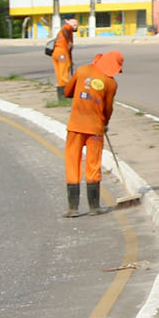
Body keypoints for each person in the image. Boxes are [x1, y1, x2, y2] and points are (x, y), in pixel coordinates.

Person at [62, 50, 123, 217]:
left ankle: (72, 208)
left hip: (75, 126)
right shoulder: (111, 83)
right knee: (93, 164)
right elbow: (108, 108)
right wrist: (105, 123)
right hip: (95, 129)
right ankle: (94, 207)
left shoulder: (82, 70)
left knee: (72, 163)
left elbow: (67, 92)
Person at [50, 20, 77, 99]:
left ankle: (61, 95)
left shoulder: (66, 32)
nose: (77, 28)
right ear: (73, 25)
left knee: (59, 74)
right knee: (64, 73)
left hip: (56, 53)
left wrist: (70, 60)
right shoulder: (67, 27)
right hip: (62, 52)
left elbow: (69, 49)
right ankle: (66, 92)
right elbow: (65, 30)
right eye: (76, 26)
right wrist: (69, 42)